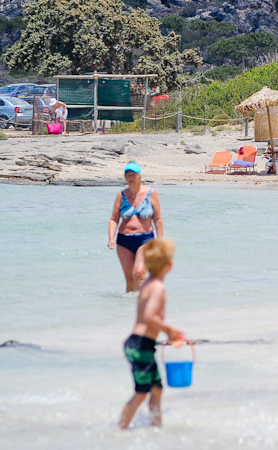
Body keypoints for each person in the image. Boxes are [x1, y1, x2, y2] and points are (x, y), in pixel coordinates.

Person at [118, 238, 184, 430]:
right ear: (169, 265)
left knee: (156, 389)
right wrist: (169, 331)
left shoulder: (148, 283)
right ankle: (120, 430)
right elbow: (149, 316)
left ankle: (156, 428)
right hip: (140, 346)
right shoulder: (158, 287)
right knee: (141, 392)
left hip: (141, 345)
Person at [108, 162, 163, 292]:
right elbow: (114, 219)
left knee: (139, 273)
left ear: (139, 176)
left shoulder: (151, 193)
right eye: (128, 175)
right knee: (130, 280)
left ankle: (143, 300)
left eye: (133, 175)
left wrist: (160, 240)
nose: (130, 178)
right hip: (124, 241)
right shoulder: (121, 195)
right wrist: (111, 238)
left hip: (145, 239)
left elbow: (158, 219)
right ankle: (130, 303)